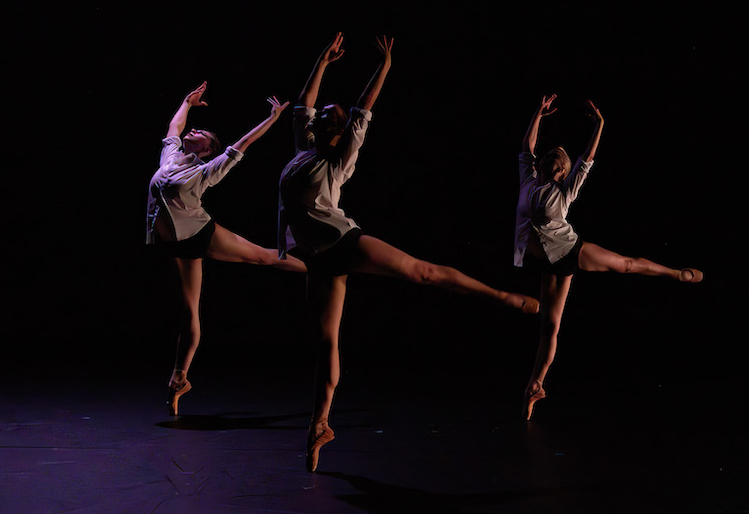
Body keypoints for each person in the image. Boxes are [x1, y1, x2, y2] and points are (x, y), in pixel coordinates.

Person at [278, 33, 541, 472]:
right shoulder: (304, 148)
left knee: (423, 272)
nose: (321, 112)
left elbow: (363, 108)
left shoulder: (338, 158)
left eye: (329, 115)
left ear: (338, 132)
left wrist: (384, 65)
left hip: (344, 243)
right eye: (323, 113)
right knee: (326, 344)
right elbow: (304, 102)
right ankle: (320, 424)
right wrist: (322, 61)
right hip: (319, 258)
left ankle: (503, 297)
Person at [514, 94, 704, 420]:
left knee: (626, 265)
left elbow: (587, 159)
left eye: (560, 162)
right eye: (552, 157)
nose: (554, 161)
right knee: (549, 327)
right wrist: (538, 115)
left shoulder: (565, 190)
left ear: (562, 170)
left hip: (571, 251)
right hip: (548, 262)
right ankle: (535, 385)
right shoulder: (528, 179)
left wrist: (599, 125)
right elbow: (527, 147)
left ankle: (675, 273)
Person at [146, 82, 307, 416]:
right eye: (196, 128)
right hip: (176, 245)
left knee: (262, 257)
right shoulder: (170, 158)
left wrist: (272, 119)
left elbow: (242, 144)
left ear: (207, 149)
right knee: (188, 314)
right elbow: (174, 127)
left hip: (200, 233)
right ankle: (179, 379)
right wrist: (186, 102)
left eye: (201, 133)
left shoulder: (206, 171)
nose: (194, 130)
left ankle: (318, 268)